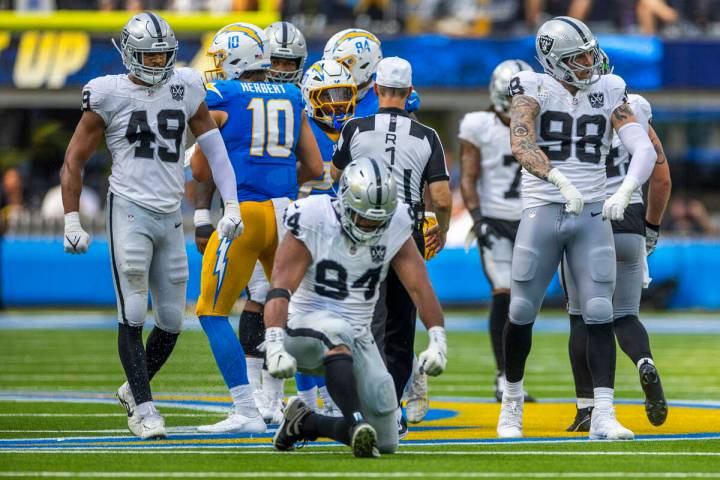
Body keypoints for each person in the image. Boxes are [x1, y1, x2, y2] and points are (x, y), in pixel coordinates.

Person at [60, 12, 243, 439]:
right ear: (129, 54)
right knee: (134, 309)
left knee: (172, 321)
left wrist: (230, 204)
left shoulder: (186, 85)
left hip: (168, 214)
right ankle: (143, 409)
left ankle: (131, 389)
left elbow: (216, 152)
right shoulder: (108, 93)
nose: (158, 63)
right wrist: (72, 217)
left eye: (163, 55)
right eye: (149, 55)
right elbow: (74, 159)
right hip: (128, 209)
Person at [497, 16, 659, 441]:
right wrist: (559, 180)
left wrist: (625, 189)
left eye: (589, 52)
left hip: (591, 214)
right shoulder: (531, 85)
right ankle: (511, 405)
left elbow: (642, 148)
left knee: (601, 312)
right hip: (544, 208)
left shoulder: (608, 89)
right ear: (553, 61)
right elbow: (522, 142)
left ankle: (602, 413)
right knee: (520, 310)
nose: (590, 62)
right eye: (578, 57)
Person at [263, 158, 448, 457]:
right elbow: (280, 286)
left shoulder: (397, 221)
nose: (372, 224)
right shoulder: (313, 216)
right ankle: (354, 422)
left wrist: (438, 339)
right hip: (301, 330)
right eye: (365, 217)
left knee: (387, 442)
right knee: (336, 331)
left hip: (359, 336)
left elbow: (419, 286)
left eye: (380, 219)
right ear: (346, 202)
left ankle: (305, 422)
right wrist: (273, 343)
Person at [190, 22, 322, 434]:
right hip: (287, 213)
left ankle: (247, 409)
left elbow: (198, 168)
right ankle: (311, 403)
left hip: (244, 214)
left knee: (211, 312)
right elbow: (315, 167)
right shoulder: (291, 93)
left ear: (234, 58)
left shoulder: (222, 94)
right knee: (291, 309)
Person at [330, 57, 452, 433]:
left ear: (377, 90)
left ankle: (367, 407)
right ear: (410, 92)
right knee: (401, 328)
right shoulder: (428, 136)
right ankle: (392, 410)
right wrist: (442, 231)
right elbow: (443, 197)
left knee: (368, 324)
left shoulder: (355, 127)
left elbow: (335, 178)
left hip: (362, 228)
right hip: (406, 230)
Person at [563, 92, 672, 431]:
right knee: (625, 315)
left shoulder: (570, 104)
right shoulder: (636, 107)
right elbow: (662, 177)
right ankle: (644, 360)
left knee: (582, 318)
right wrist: (651, 226)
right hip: (630, 217)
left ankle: (586, 409)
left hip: (589, 214)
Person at [458, 59, 537, 403]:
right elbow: (469, 177)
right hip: (495, 220)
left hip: (534, 221)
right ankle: (504, 378)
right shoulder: (479, 125)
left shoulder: (542, 124)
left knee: (525, 304)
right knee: (504, 294)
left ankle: (513, 377)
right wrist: (477, 219)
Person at [293, 58, 358, 417]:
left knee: (349, 322)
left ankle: (339, 394)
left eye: (341, 95)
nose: (335, 103)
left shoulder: (358, 131)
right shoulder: (303, 130)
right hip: (309, 236)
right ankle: (308, 398)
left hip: (348, 238)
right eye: (327, 95)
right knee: (305, 321)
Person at [322, 28, 421, 117]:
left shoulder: (388, 103)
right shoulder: (319, 93)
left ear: (365, 65)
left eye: (341, 65)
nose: (331, 71)